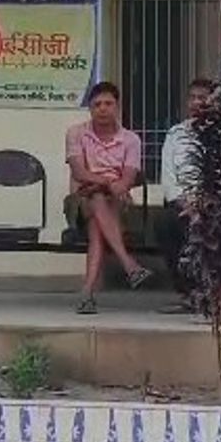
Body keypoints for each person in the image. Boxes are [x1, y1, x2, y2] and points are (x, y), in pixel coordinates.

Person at [66, 81, 152, 315]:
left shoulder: (131, 140)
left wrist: (108, 186)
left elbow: (127, 180)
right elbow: (79, 173)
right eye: (97, 105)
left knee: (98, 224)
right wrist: (106, 182)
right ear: (90, 108)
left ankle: (87, 293)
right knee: (95, 198)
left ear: (117, 107)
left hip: (115, 200)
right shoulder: (76, 133)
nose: (102, 109)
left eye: (108, 104)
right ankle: (128, 264)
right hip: (79, 201)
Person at [156, 78, 215, 310]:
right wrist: (185, 203)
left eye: (203, 98)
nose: (196, 102)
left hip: (213, 203)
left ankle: (214, 292)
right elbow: (169, 178)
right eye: (192, 98)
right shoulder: (175, 134)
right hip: (183, 204)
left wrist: (203, 203)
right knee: (166, 222)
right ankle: (188, 292)